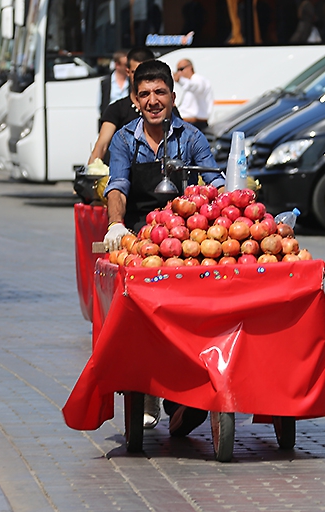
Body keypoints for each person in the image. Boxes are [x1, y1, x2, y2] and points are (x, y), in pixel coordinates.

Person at [103, 60, 224, 434]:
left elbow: (214, 179)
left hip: (190, 236)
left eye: (160, 93)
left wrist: (229, 206)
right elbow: (118, 185)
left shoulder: (191, 138)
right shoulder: (124, 139)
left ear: (173, 96)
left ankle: (191, 383)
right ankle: (148, 383)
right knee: (142, 308)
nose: (153, 101)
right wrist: (116, 224)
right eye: (145, 94)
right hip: (143, 235)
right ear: (135, 100)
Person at [88, 46, 156, 164]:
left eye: (145, 72)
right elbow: (102, 145)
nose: (141, 77)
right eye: (136, 72)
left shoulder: (164, 107)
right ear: (128, 72)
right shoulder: (116, 109)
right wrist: (91, 173)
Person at [173, 59, 213, 133]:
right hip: (189, 123)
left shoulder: (199, 80)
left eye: (181, 69)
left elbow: (194, 86)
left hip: (196, 124)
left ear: (190, 67)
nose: (179, 73)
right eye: (177, 70)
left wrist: (180, 80)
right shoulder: (190, 82)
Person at [98, 49, 129, 122]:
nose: (128, 68)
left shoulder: (132, 82)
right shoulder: (106, 83)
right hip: (111, 121)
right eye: (126, 65)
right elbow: (100, 105)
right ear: (117, 65)